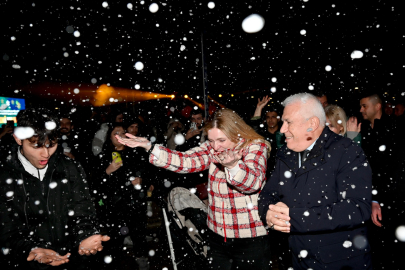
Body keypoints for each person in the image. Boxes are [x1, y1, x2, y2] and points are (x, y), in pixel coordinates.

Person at [117, 108, 272, 270]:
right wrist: (150, 147)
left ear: (236, 133)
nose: (215, 146)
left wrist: (233, 166)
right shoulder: (213, 148)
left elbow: (252, 183)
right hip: (217, 236)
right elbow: (185, 160)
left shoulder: (254, 147)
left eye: (221, 140)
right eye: (211, 141)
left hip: (250, 237)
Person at [258, 93, 372, 270]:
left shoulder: (347, 151)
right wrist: (268, 213)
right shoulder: (286, 154)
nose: (282, 130)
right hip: (296, 257)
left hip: (339, 261)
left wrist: (295, 217)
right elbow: (267, 194)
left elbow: (358, 208)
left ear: (312, 124)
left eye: (288, 122)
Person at [0, 108, 109, 270]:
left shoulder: (70, 167)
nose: (45, 154)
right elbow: (5, 226)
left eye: (51, 145)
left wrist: (85, 235)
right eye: (36, 146)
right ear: (18, 138)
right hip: (24, 263)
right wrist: (30, 248)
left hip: (69, 259)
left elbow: (83, 210)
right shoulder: (4, 172)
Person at [93, 122, 150, 270]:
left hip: (135, 200)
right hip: (115, 204)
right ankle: (114, 261)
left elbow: (147, 173)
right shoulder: (103, 156)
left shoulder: (136, 153)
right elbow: (96, 183)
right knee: (115, 237)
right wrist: (108, 170)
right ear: (109, 137)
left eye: (122, 133)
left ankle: (141, 257)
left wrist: (141, 180)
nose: (119, 136)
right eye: (115, 133)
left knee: (138, 233)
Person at [359, 93, 404, 269]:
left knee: (390, 249)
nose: (361, 109)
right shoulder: (365, 129)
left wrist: (376, 197)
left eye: (364, 106)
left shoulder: (392, 128)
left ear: (377, 106)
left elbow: (384, 167)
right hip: (374, 198)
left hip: (390, 200)